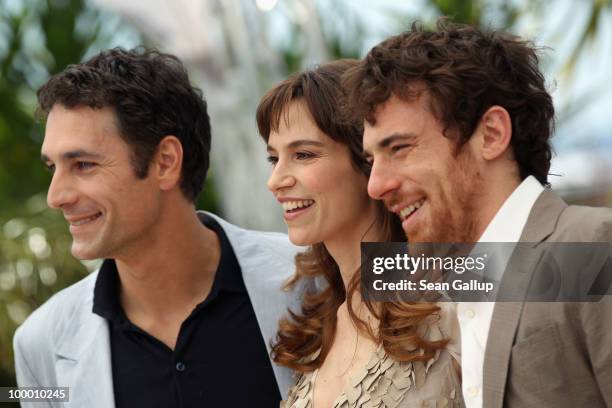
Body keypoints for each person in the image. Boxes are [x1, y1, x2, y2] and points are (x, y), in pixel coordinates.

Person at [13, 48, 303, 408]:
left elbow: (393, 268)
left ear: (165, 162)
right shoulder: (37, 343)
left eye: (83, 164)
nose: (56, 196)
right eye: (52, 167)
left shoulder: (318, 270)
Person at [345, 20, 612, 408]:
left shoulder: (591, 244)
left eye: (399, 148)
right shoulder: (447, 289)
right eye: (372, 160)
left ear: (490, 134)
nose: (376, 185)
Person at [256, 59, 463, 407]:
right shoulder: (317, 327)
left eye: (303, 154)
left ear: (368, 160)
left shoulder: (453, 299)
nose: (276, 181)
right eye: (274, 159)